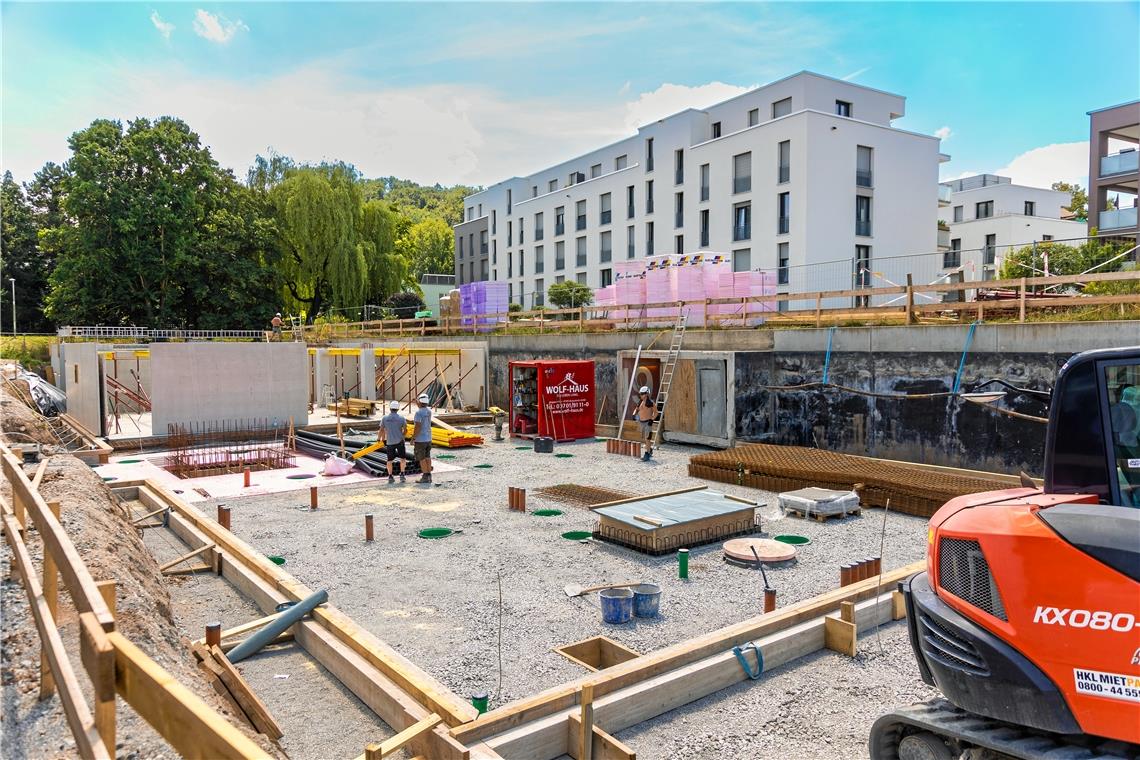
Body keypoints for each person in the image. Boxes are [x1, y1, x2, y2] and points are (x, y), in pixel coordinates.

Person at [380, 400, 407, 484]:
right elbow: (405, 430)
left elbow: (381, 430)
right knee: (402, 458)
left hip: (390, 442)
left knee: (389, 460)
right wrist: (402, 435)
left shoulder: (384, 418)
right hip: (400, 441)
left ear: (390, 408)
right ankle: (402, 474)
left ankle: (390, 476)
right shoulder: (402, 418)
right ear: (398, 408)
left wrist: (380, 439)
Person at [413, 393, 434, 484]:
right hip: (428, 438)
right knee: (427, 457)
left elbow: (417, 426)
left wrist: (413, 438)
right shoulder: (429, 411)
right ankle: (429, 475)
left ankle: (425, 476)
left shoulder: (418, 413)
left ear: (420, 402)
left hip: (420, 439)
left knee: (421, 458)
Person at [634, 385, 657, 462]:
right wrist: (634, 414)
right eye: (640, 394)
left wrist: (652, 419)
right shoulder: (640, 402)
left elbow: (656, 413)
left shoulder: (651, 403)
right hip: (641, 422)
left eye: (642, 394)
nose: (641, 395)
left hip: (648, 422)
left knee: (647, 438)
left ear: (646, 394)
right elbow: (636, 409)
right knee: (645, 438)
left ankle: (647, 454)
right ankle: (649, 449)